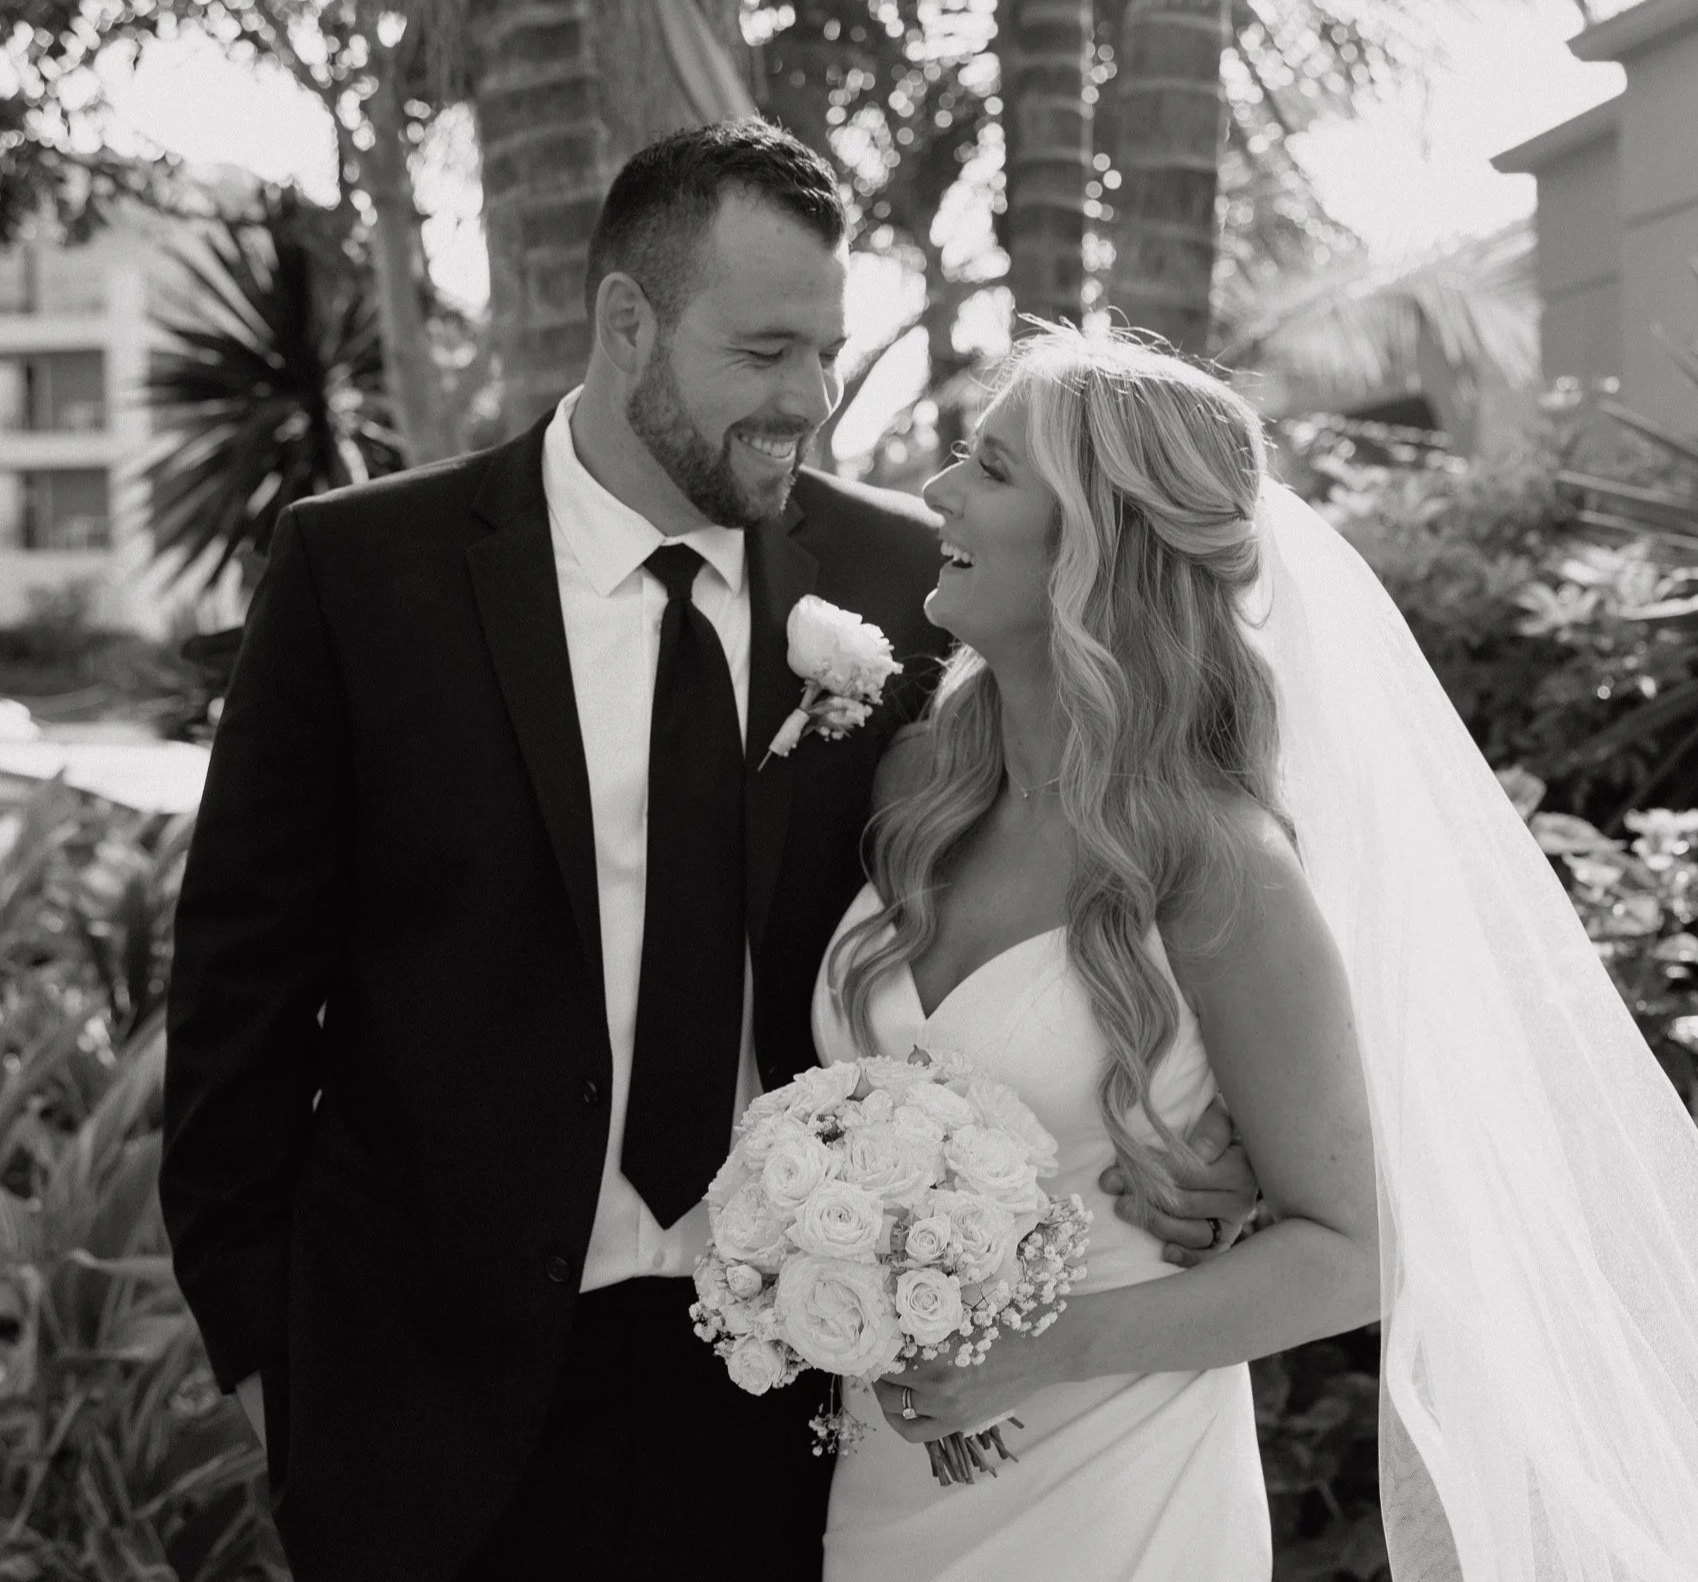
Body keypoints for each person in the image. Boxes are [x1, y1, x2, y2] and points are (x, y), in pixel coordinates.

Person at [159, 122, 1255, 1582]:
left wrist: (1219, 1126)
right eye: (762, 352)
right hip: (421, 1402)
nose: (807, 398)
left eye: (824, 349)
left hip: (794, 1396)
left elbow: (1117, 843)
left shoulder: (903, 585)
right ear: (626, 324)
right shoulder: (363, 573)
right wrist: (270, 1361)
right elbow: (236, 997)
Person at [812, 326, 1698, 1582]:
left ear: (1097, 545)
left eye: (990, 468)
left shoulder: (1215, 861)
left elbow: (1357, 1249)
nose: (939, 493)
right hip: (889, 1476)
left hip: (1116, 1485)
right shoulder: (921, 781)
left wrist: (1038, 1343)